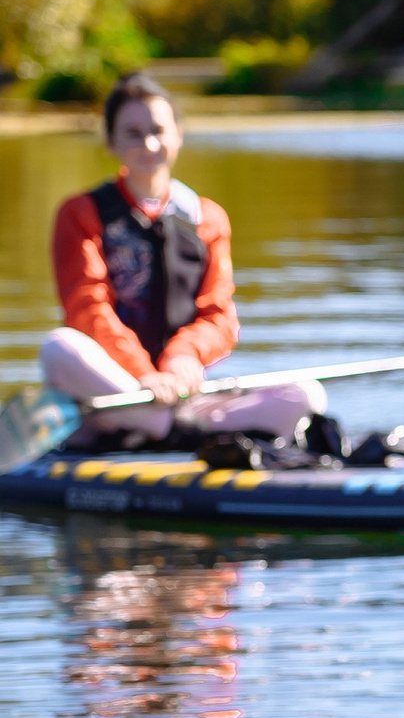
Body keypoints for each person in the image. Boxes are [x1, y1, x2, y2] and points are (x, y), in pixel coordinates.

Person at [43, 72, 323, 449]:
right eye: (132, 132)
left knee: (305, 396)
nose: (148, 142)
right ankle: (168, 428)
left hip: (183, 393)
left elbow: (219, 316)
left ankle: (166, 427)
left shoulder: (207, 218)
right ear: (111, 141)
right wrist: (144, 375)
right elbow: (86, 307)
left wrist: (181, 359)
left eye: (158, 129)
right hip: (115, 388)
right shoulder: (81, 213)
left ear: (177, 134)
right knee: (58, 347)